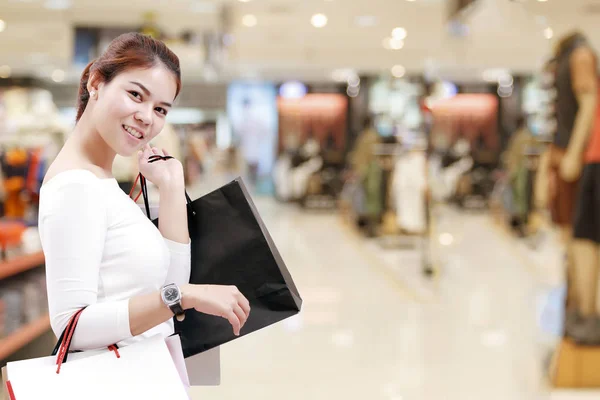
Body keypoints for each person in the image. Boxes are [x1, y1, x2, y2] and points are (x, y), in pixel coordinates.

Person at [39, 32, 250, 352]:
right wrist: (184, 297)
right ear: (96, 83)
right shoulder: (75, 187)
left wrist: (170, 186)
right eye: (136, 95)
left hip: (149, 373)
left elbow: (169, 287)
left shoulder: (100, 181)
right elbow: (71, 326)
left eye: (161, 109)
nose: (147, 117)